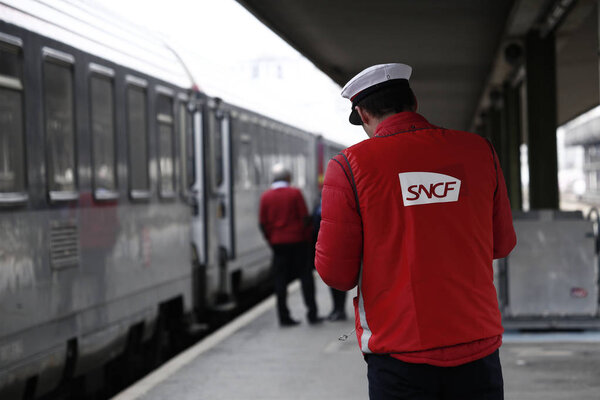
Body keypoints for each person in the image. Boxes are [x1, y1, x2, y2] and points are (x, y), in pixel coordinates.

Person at [315, 63, 516, 399]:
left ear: (363, 114)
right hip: (477, 347)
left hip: (399, 353)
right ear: (414, 102)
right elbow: (502, 244)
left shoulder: (349, 166)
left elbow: (337, 274)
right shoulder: (480, 150)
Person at [260, 164, 323, 327]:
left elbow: (263, 223)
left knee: (280, 280)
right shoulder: (295, 193)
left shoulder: (266, 197)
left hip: (278, 243)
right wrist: (308, 238)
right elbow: (304, 218)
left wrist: (271, 239)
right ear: (288, 178)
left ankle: (283, 316)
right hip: (298, 241)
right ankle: (312, 313)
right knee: (305, 277)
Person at [312, 196, 347, 321]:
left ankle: (340, 309)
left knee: (338, 280)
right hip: (329, 248)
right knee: (333, 280)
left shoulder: (323, 206)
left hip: (334, 247)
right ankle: (337, 309)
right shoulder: (323, 205)